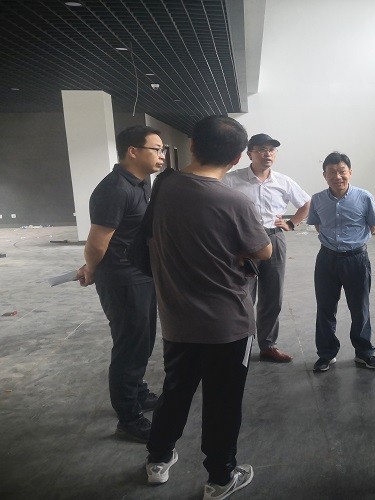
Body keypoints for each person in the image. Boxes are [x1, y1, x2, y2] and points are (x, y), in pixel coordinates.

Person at [144, 116, 272, 499]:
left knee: (175, 391)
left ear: (192, 146)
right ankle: (221, 477)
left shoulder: (164, 186)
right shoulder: (234, 201)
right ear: (237, 158)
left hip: (177, 320)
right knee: (223, 403)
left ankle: (157, 459)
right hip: (227, 326)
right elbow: (263, 250)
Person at [76, 125, 164, 443]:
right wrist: (91, 269)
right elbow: (96, 243)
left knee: (143, 341)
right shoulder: (114, 189)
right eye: (156, 149)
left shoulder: (141, 183)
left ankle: (137, 392)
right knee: (130, 346)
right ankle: (128, 418)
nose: (162, 155)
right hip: (122, 279)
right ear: (133, 151)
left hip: (141, 275)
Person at [224, 133, 310, 363]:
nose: (267, 154)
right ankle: (240, 344)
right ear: (249, 154)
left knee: (272, 295)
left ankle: (268, 345)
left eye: (271, 150)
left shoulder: (283, 181)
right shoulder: (231, 180)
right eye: (262, 149)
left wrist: (291, 223)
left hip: (274, 239)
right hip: (243, 243)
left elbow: (306, 202)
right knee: (243, 295)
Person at [307, 152, 375, 373]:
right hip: (327, 259)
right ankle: (326, 354)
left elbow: (372, 226)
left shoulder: (364, 197)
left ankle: (364, 352)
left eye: (342, 171)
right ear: (324, 175)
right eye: (331, 172)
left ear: (350, 172)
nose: (337, 176)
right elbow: (318, 225)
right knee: (325, 308)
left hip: (356, 259)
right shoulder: (317, 199)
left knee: (360, 308)